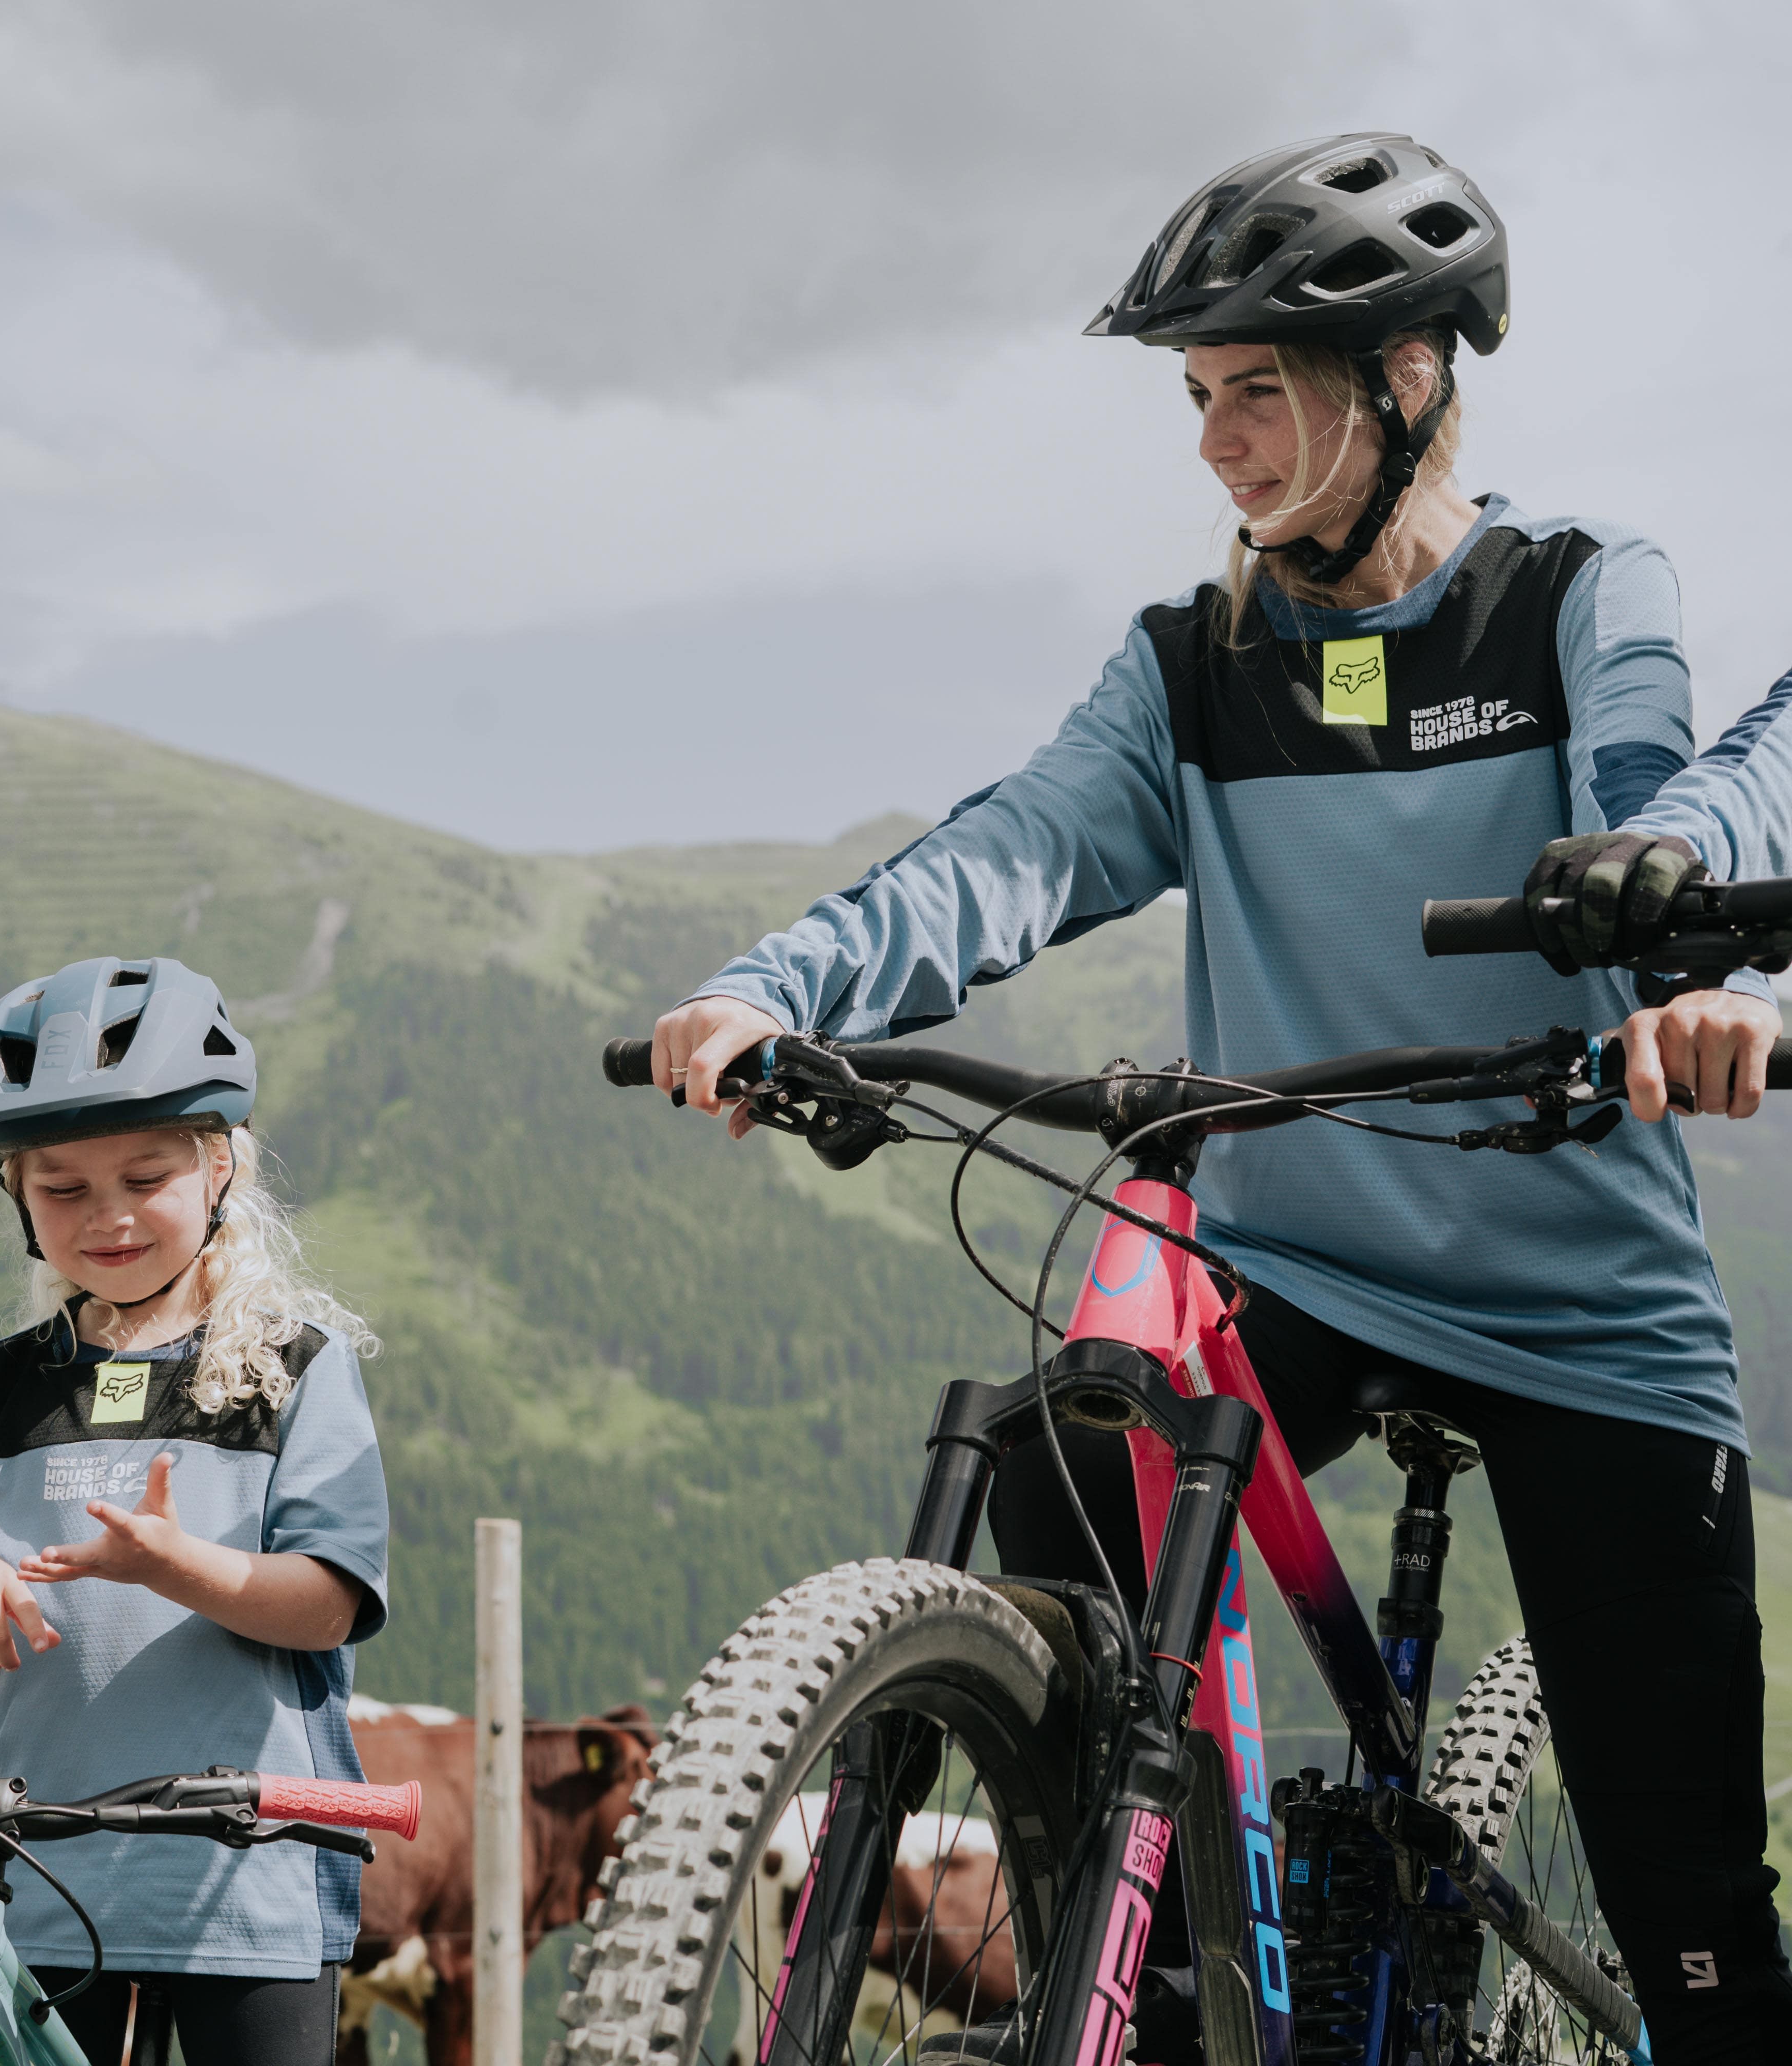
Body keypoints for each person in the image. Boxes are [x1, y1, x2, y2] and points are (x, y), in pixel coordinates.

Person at [649, 134, 1789, 2056]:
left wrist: (1683, 936)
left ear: (1411, 377)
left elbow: (1676, 784)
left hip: (1586, 1309)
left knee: (1691, 1904)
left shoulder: (1577, 593)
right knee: (1059, 1450)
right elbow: (1006, 852)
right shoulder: (1199, 663)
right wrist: (779, 985)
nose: (1217, 444)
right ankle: (1154, 1987)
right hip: (1298, 1275)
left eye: (1259, 389)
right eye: (1198, 397)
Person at [0, 957, 389, 2066]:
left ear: (221, 1165)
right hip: (38, 1879)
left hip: (249, 1880)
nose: (108, 1217)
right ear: (17, 1197)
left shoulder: (296, 1372)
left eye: (146, 1175)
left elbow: (331, 1601)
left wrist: (176, 1565)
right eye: (63, 1189)